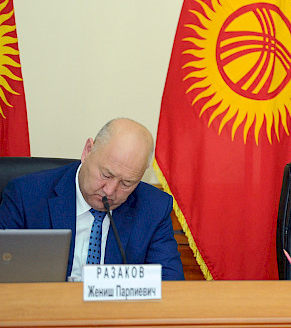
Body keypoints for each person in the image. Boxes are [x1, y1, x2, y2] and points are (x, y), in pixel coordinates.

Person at [0, 118, 184, 280]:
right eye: (106, 175)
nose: (110, 191)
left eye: (126, 183)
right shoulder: (26, 196)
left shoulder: (154, 208)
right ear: (88, 151)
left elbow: (170, 288)